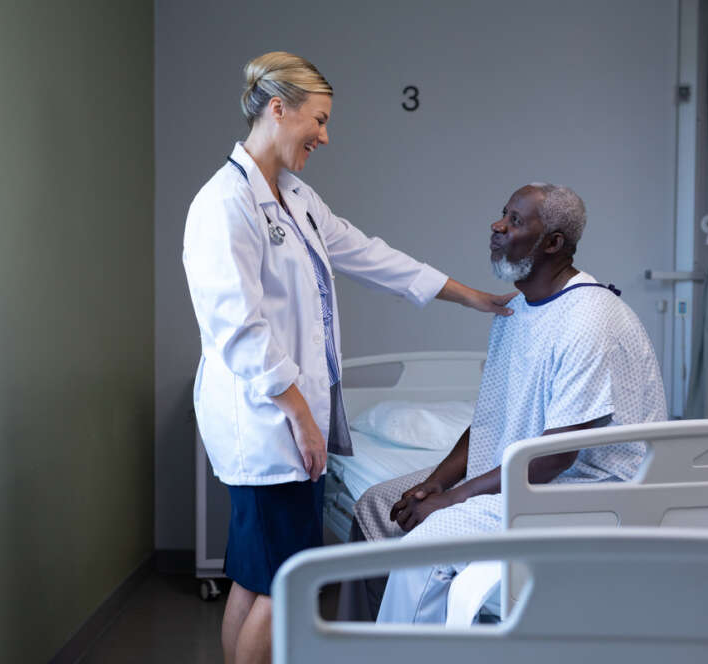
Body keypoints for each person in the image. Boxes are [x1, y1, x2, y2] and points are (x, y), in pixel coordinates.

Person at [182, 51, 513, 664]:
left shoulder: (296, 198)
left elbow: (372, 256)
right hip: (267, 423)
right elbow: (238, 328)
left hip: (282, 422)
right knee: (287, 582)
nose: (326, 137)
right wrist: (302, 417)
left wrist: (472, 298)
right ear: (278, 109)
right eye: (320, 120)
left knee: (257, 577)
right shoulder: (222, 205)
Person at [341, 183, 667, 625]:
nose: (497, 226)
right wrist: (437, 483)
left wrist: (453, 500)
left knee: (428, 543)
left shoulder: (589, 319)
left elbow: (555, 456)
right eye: (503, 215)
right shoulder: (516, 313)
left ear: (553, 243)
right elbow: (492, 418)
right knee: (378, 506)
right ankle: (364, 648)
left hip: (581, 492)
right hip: (522, 473)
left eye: (515, 220)